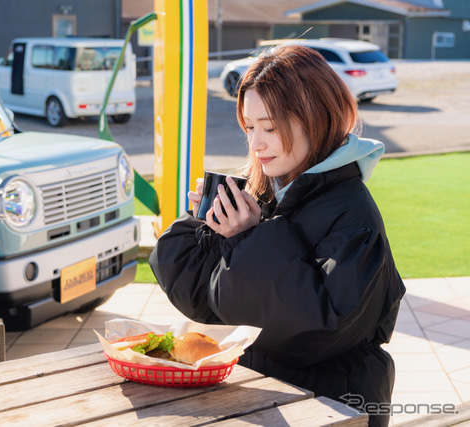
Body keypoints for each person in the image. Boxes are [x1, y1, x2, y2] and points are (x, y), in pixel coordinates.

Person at [148, 45, 405, 427]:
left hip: (334, 407)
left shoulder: (354, 216)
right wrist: (207, 224)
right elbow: (200, 301)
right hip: (267, 398)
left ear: (317, 119)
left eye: (270, 127)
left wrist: (249, 239)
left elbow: (313, 333)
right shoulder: (272, 192)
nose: (256, 144)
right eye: (250, 127)